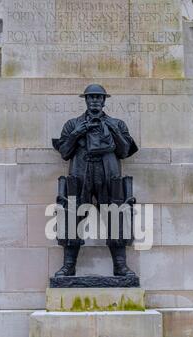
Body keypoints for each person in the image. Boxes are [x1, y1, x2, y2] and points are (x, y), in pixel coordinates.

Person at [52, 84, 139, 277]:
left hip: (109, 174)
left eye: (98, 98)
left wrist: (111, 129)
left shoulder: (117, 124)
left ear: (104, 101)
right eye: (91, 97)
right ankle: (69, 266)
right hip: (81, 173)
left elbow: (124, 151)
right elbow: (64, 152)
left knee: (116, 216)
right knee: (71, 216)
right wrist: (77, 133)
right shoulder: (72, 124)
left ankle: (120, 265)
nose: (95, 101)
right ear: (85, 99)